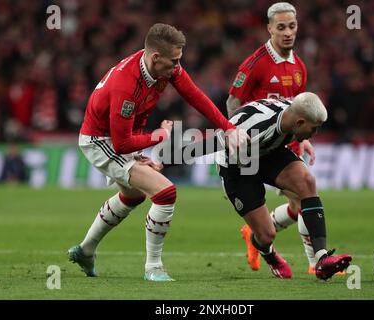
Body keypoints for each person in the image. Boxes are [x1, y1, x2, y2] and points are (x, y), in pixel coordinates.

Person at [68, 23, 249, 281]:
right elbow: (120, 145)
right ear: (156, 57)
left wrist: (228, 128)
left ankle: (85, 250)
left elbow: (195, 96)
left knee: (132, 196)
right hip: (100, 140)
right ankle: (153, 267)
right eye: (174, 61)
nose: (178, 66)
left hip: (120, 136)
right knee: (165, 192)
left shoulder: (164, 69)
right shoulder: (125, 85)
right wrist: (159, 136)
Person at [217, 92, 352, 280]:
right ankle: (269, 254)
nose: (315, 134)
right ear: (299, 123)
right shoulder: (257, 128)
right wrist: (165, 160)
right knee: (265, 236)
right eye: (314, 129)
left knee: (307, 182)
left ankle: (322, 258)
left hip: (269, 153)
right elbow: (203, 146)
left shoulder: (293, 115)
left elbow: (300, 117)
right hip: (238, 167)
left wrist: (303, 140)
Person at [226, 2, 318, 276]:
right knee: (304, 201)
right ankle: (315, 262)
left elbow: (298, 110)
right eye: (281, 27)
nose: (287, 32)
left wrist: (303, 139)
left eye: (291, 26)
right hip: (259, 148)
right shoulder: (255, 64)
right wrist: (239, 135)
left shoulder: (299, 66)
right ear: (269, 29)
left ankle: (255, 233)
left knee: (299, 202)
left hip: (286, 146)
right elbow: (233, 103)